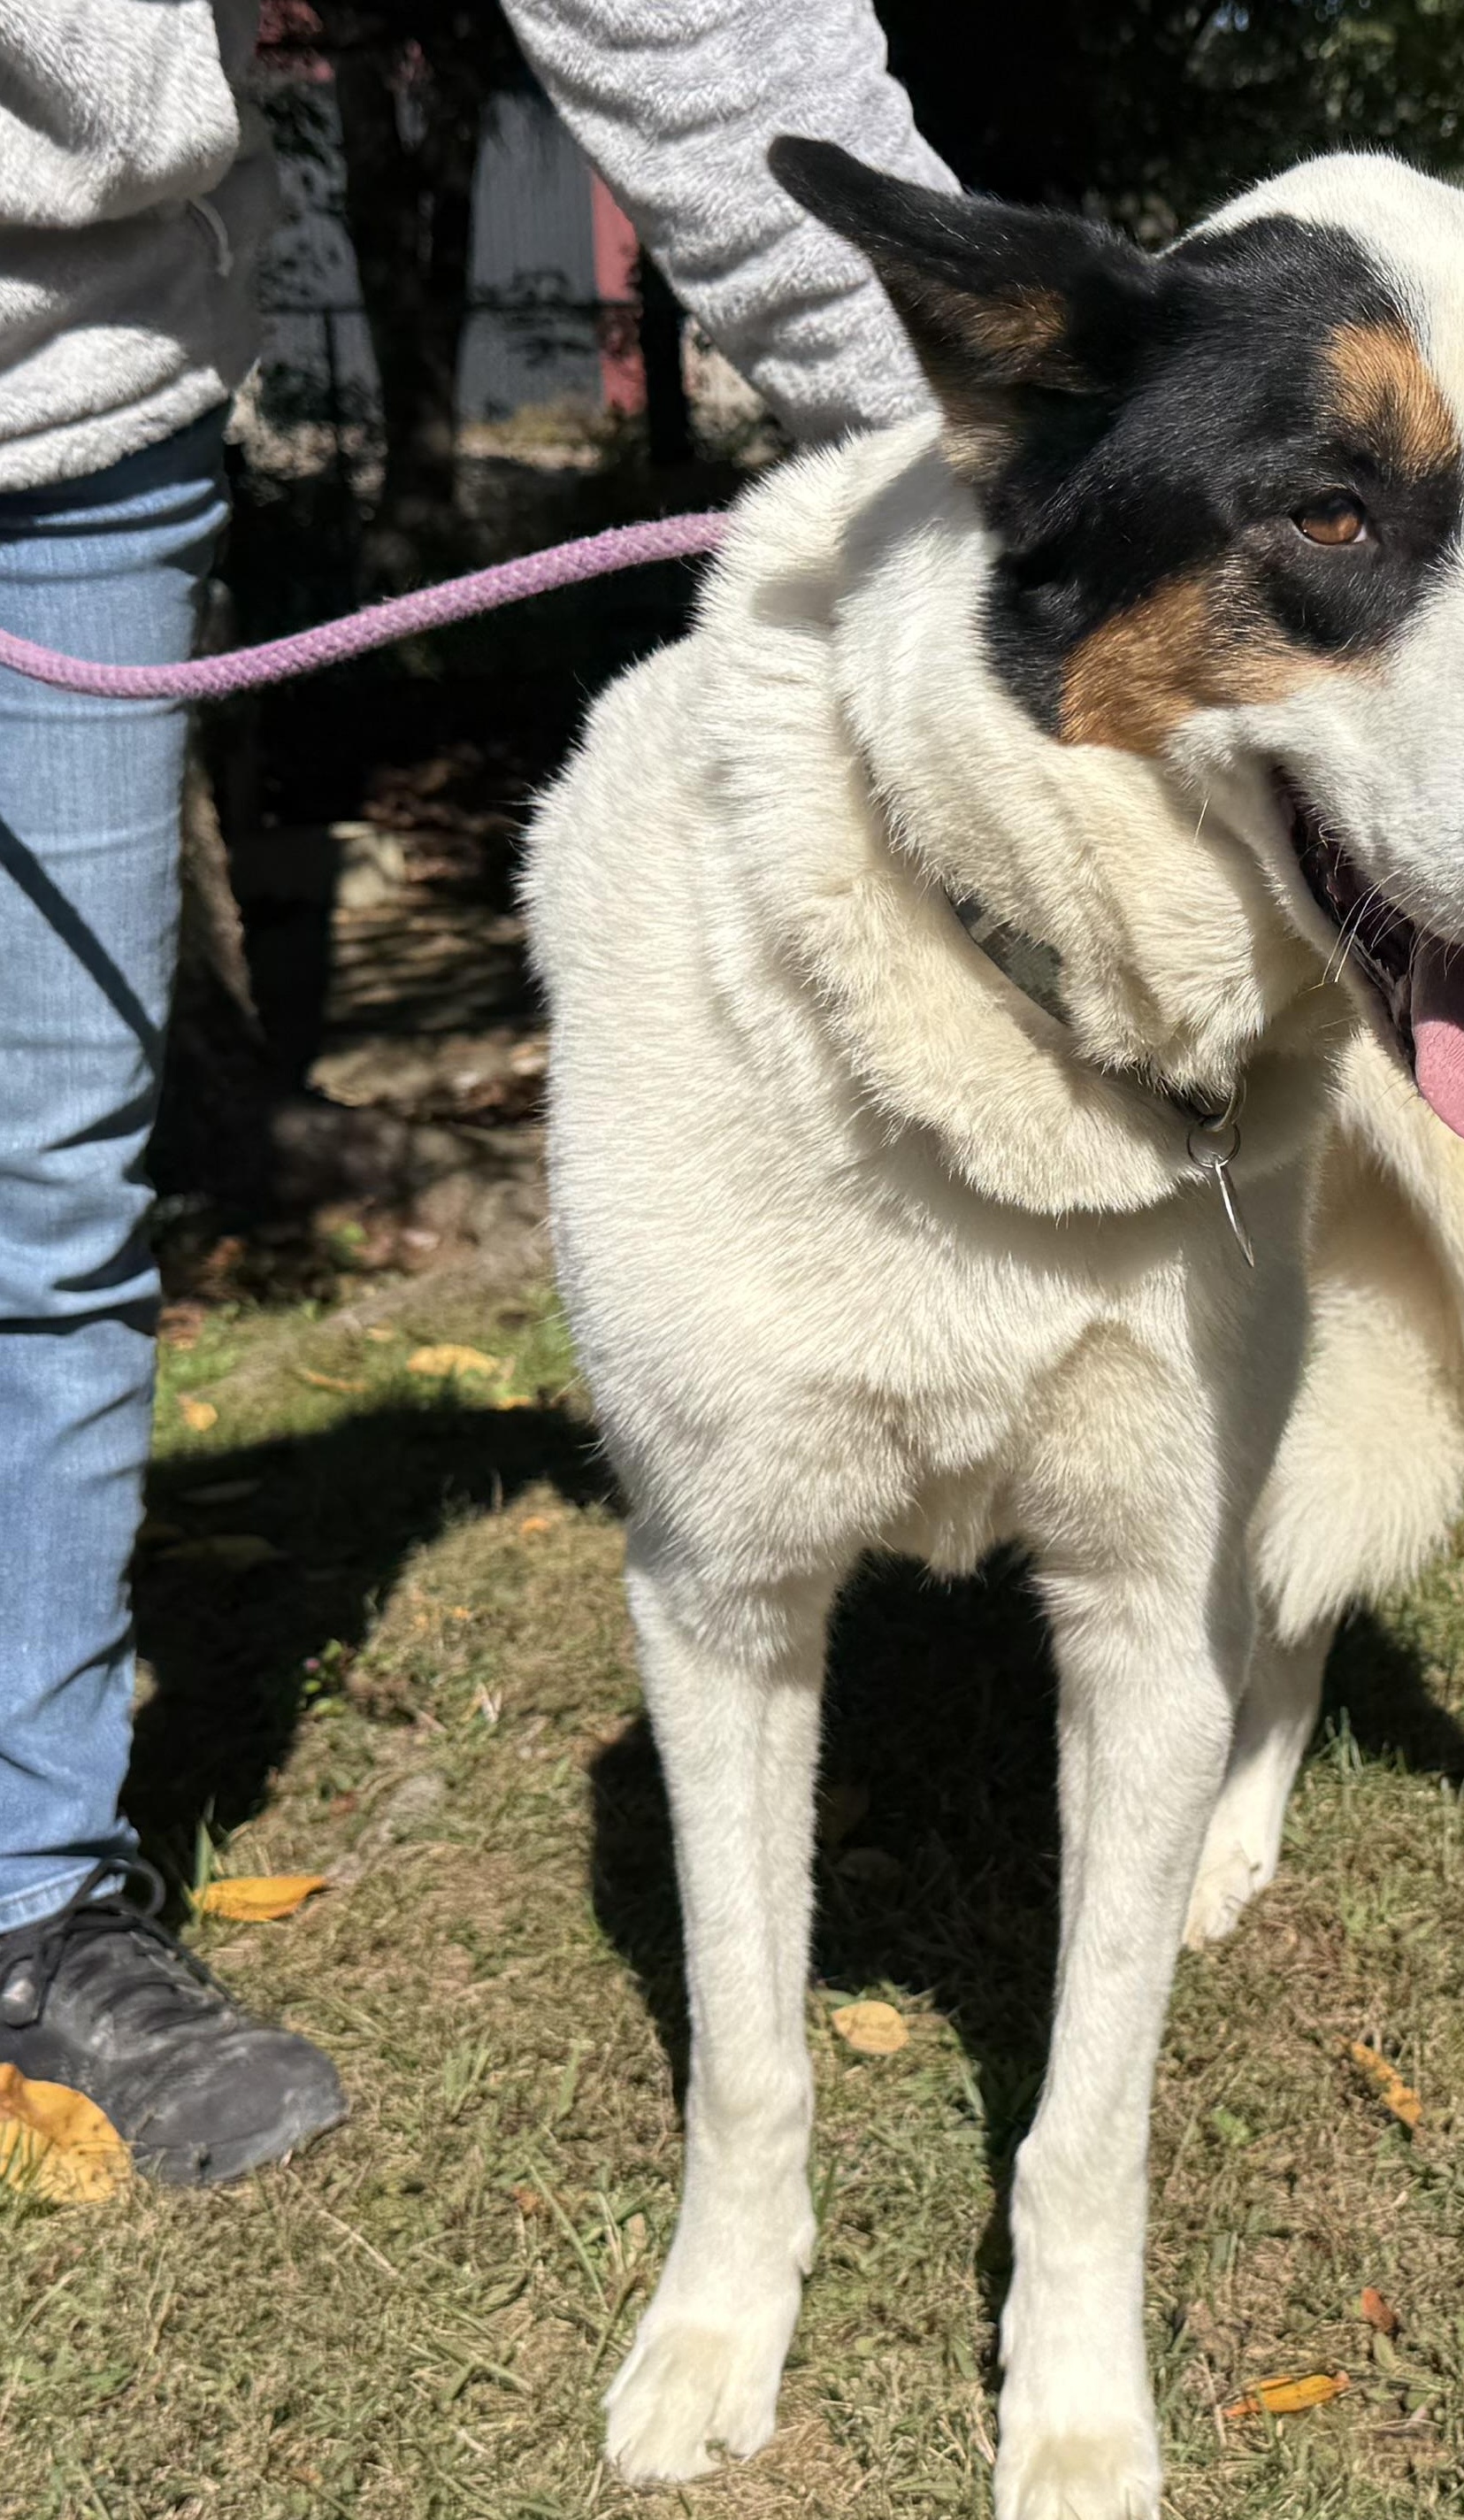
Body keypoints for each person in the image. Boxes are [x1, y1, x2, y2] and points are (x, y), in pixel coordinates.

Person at [0, 0, 947, 2184]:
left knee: (44, 1186)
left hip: (76, 419)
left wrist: (1034, 420)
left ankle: (32, 1902)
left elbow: (702, 31)